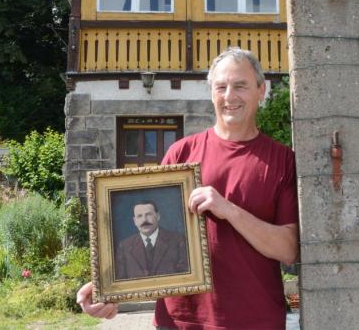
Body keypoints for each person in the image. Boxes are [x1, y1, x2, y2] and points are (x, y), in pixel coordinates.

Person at [77, 47, 299, 329]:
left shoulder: (281, 160)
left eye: (240, 86)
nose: (229, 96)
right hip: (180, 320)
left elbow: (288, 249)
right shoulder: (182, 154)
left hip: (255, 319)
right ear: (211, 93)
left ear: (261, 90)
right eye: (221, 87)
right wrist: (108, 288)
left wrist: (228, 210)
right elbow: (151, 233)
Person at [114, 200, 190, 280]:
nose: (144, 220)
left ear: (158, 216)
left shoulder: (177, 241)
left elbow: (184, 278)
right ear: (135, 221)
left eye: (148, 214)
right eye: (139, 216)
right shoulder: (124, 246)